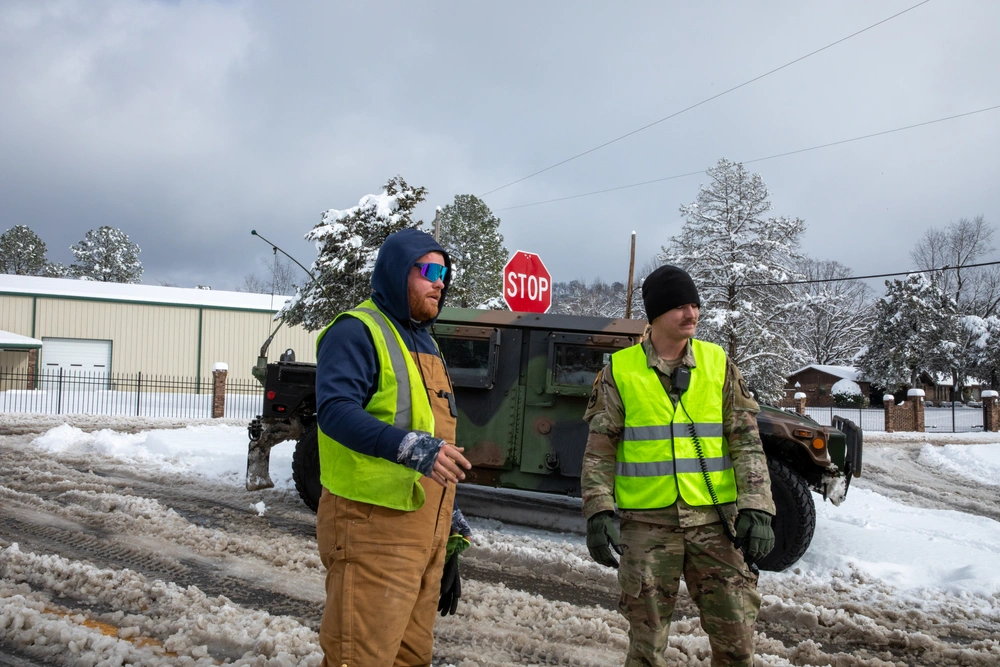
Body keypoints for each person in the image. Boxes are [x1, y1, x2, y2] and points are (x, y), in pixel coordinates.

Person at [581, 264, 776, 667]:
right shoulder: (619, 371)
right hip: (648, 528)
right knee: (646, 648)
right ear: (655, 315)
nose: (692, 314)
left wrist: (757, 505)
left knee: (737, 642)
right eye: (680, 307)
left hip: (715, 524)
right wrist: (598, 511)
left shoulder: (717, 362)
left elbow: (745, 440)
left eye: (694, 305)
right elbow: (600, 450)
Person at [314, 228, 474, 667]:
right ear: (397, 272)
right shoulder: (356, 331)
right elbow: (335, 411)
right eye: (429, 270)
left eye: (445, 272)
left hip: (425, 534)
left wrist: (448, 528)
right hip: (371, 528)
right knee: (359, 658)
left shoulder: (427, 341)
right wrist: (411, 447)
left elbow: (433, 436)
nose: (441, 281)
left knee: (410, 658)